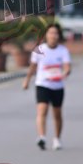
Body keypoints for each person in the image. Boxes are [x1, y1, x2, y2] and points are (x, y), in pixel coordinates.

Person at [23, 22, 71, 150]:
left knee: (57, 113)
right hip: (43, 84)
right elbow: (32, 67)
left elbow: (67, 67)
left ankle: (57, 139)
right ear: (46, 35)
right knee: (42, 110)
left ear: (59, 35)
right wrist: (27, 80)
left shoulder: (63, 50)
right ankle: (42, 137)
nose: (53, 36)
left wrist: (65, 73)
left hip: (57, 86)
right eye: (51, 33)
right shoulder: (39, 49)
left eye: (56, 33)